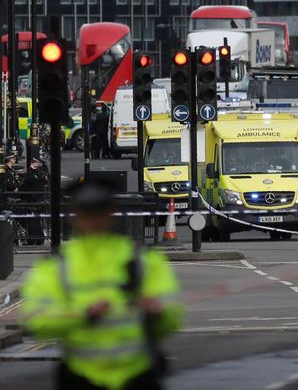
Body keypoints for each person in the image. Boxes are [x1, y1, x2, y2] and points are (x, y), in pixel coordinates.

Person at [20, 178, 184, 390]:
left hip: (137, 375)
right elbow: (35, 321)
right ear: (74, 215)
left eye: (100, 210)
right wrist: (83, 315)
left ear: (111, 212)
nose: (93, 218)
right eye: (86, 211)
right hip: (81, 377)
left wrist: (157, 311)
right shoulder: (57, 266)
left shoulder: (142, 259)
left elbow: (173, 316)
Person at [21, 157, 49, 245]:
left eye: (36, 162)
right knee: (34, 220)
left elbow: (44, 178)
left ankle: (37, 239)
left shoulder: (39, 172)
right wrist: (30, 169)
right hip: (32, 199)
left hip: (37, 199)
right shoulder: (31, 173)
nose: (35, 164)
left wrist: (42, 165)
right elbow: (28, 180)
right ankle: (36, 239)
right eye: (34, 162)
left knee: (35, 220)